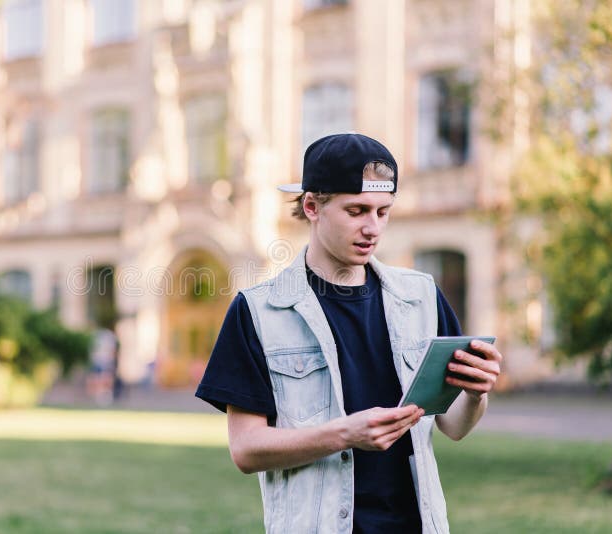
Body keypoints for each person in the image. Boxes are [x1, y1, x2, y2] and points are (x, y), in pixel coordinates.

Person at [195, 133, 503, 534]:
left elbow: (453, 427)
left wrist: (477, 393)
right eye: (356, 210)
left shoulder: (422, 296)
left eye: (383, 211)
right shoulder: (257, 310)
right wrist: (345, 433)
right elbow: (246, 450)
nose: (372, 228)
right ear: (312, 206)